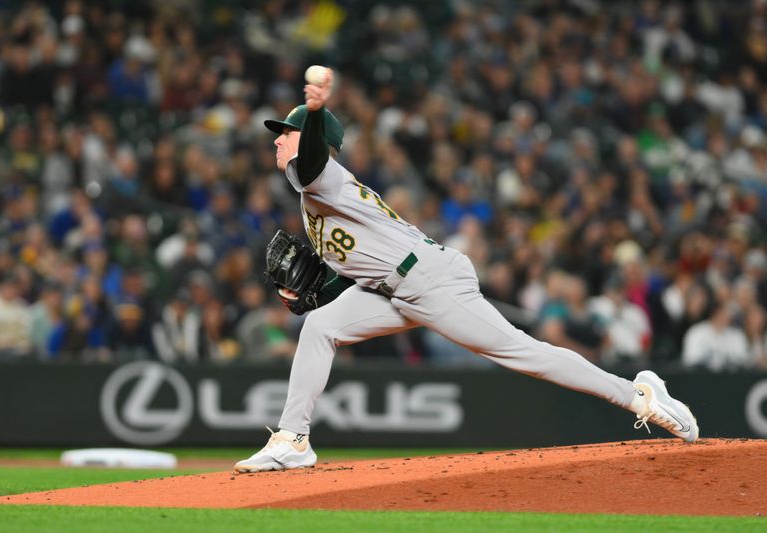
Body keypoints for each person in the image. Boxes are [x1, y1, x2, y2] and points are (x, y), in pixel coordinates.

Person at [234, 68, 699, 473]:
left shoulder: (321, 177)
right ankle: (292, 440)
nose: (277, 138)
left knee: (523, 354)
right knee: (320, 325)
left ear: (315, 143)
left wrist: (313, 114)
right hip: (393, 286)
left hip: (431, 281)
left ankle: (640, 396)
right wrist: (314, 292)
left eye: (286, 133)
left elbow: (312, 157)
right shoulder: (313, 201)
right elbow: (352, 269)